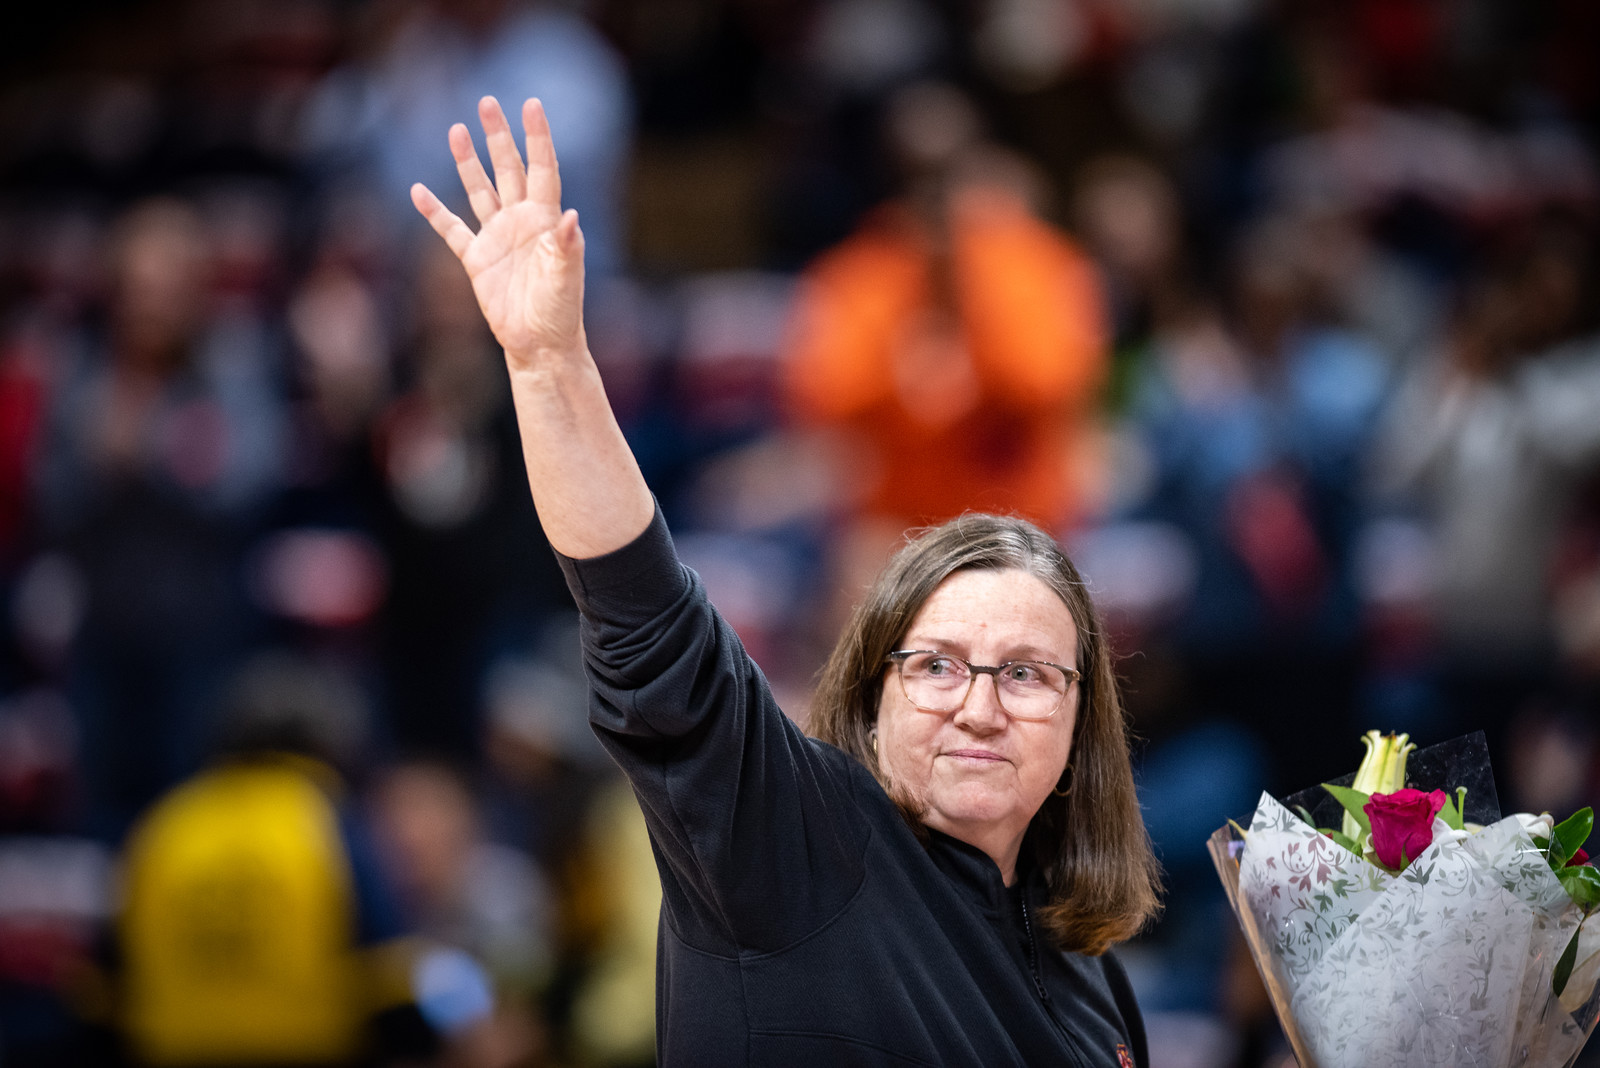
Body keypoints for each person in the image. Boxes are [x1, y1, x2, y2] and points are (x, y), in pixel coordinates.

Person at [412, 96, 1162, 1067]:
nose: (979, 706)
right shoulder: (792, 845)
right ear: (871, 688)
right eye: (936, 666)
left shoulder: (1088, 969)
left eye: (1025, 674)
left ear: (1079, 718)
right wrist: (549, 364)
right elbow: (648, 625)